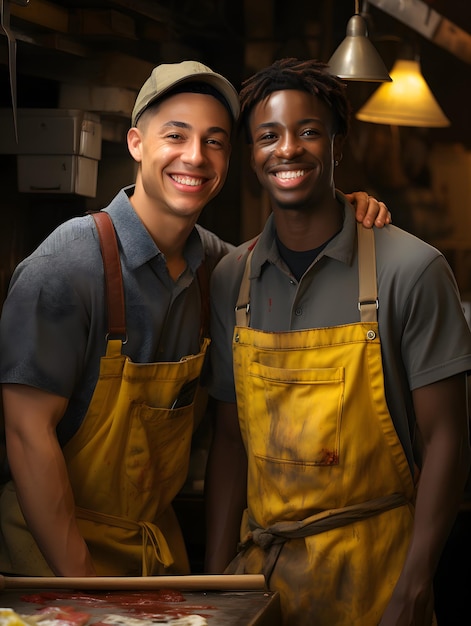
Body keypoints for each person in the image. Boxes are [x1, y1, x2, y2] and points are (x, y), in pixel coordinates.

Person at [0, 60, 388, 578]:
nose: (195, 157)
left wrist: (345, 212)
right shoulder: (66, 266)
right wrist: (89, 590)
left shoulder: (221, 271)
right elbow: (27, 433)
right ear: (137, 143)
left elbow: (295, 270)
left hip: (155, 564)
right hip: (50, 569)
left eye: (215, 141)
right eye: (176, 136)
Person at [204, 57, 471, 625]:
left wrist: (413, 589)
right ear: (252, 155)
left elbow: (448, 439)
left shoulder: (412, 270)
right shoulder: (233, 277)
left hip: (378, 581)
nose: (288, 149)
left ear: (336, 146)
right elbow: (229, 443)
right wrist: (214, 584)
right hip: (262, 588)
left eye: (309, 132)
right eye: (267, 136)